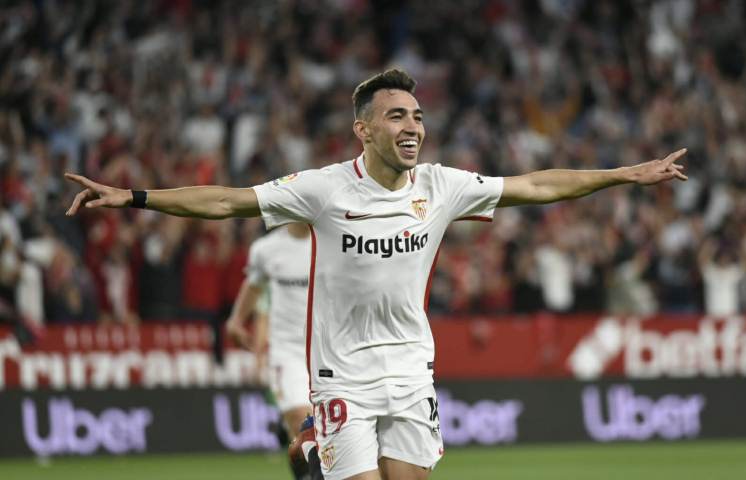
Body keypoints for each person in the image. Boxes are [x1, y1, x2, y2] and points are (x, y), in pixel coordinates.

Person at [65, 68, 687, 480]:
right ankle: (318, 447)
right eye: (396, 116)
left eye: (416, 115)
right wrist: (134, 197)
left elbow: (537, 186)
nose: (412, 126)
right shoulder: (322, 189)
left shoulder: (442, 186)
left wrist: (622, 175)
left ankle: (314, 454)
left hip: (412, 371)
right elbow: (227, 201)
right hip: (344, 378)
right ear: (363, 130)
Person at [225, 222, 312, 479]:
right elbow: (254, 285)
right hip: (287, 350)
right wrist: (236, 320)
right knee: (302, 423)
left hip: (328, 349)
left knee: (330, 433)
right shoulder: (267, 249)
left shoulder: (332, 240)